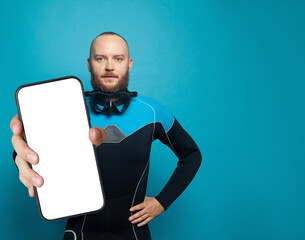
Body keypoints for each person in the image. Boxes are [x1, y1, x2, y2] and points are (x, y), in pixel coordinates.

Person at [10, 32, 202, 240]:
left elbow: (191, 154)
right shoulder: (65, 108)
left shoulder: (151, 111)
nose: (109, 66)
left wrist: (162, 202)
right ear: (89, 64)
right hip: (80, 232)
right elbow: (25, 154)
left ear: (129, 64)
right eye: (100, 58)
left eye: (118, 58)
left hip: (133, 233)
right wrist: (22, 160)